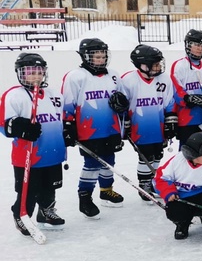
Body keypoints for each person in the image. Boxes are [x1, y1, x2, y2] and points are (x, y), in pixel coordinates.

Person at [2, 53, 67, 236]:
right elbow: (4, 125)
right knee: (29, 189)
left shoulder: (55, 95)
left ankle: (46, 212)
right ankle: (22, 214)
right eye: (30, 72)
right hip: (28, 155)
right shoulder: (14, 95)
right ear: (20, 74)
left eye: (39, 71)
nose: (35, 76)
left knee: (50, 186)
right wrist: (20, 128)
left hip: (53, 151)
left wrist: (68, 132)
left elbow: (60, 119)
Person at [62, 38, 128, 216]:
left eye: (103, 56)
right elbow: (67, 103)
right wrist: (68, 126)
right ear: (85, 56)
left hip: (111, 127)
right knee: (92, 164)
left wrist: (123, 106)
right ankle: (85, 197)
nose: (100, 59)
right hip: (88, 130)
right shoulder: (75, 76)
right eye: (96, 56)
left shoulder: (113, 75)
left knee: (109, 161)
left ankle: (106, 191)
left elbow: (121, 98)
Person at [118, 45, 177, 200]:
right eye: (155, 64)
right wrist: (126, 124)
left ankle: (151, 181)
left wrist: (170, 121)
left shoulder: (164, 79)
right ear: (142, 65)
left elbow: (169, 102)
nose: (158, 67)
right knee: (145, 155)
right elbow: (122, 105)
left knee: (158, 154)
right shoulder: (128, 80)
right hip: (140, 127)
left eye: (159, 63)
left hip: (158, 125)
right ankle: (144, 184)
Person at [170, 29, 202, 148]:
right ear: (188, 45)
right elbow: (176, 89)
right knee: (187, 153)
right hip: (187, 119)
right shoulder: (180, 65)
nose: (200, 48)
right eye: (196, 45)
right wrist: (189, 98)